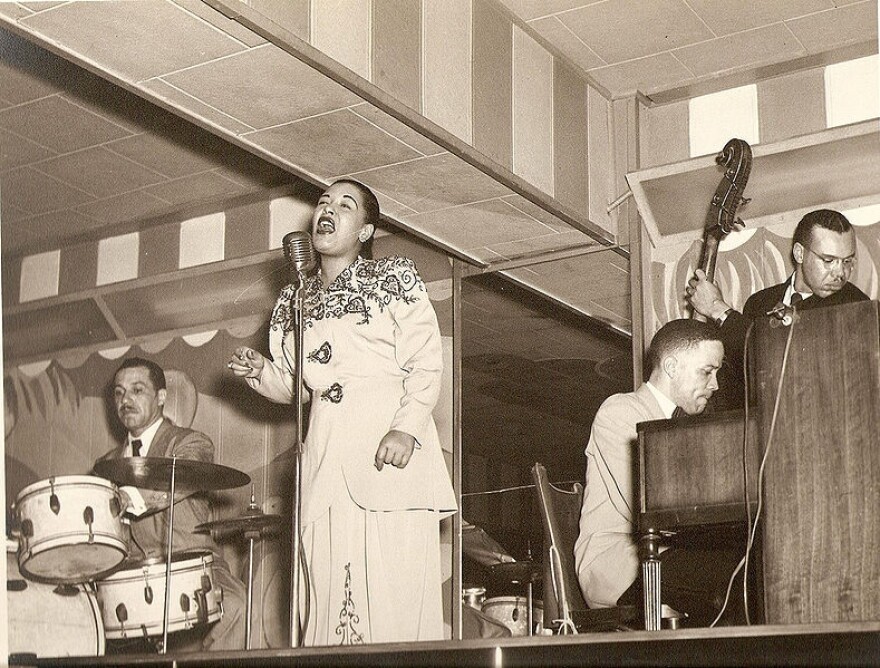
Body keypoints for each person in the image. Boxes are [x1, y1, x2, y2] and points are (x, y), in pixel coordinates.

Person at [228, 179, 457, 646]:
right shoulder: (294, 298)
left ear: (366, 231)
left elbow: (427, 358)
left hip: (387, 454)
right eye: (323, 202)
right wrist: (262, 373)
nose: (327, 209)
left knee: (392, 598)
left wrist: (407, 428)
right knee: (329, 595)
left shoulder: (392, 276)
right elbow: (300, 388)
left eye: (345, 205)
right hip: (326, 460)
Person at [574, 319, 751, 626]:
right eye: (707, 371)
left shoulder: (688, 424)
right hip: (620, 563)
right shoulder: (620, 411)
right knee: (740, 576)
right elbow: (647, 507)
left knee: (747, 567)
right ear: (671, 366)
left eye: (717, 373)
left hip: (665, 555)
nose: (715, 384)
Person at [95, 357, 246, 652]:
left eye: (137, 390)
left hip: (192, 561)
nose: (125, 400)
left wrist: (128, 499)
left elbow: (182, 478)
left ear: (161, 397)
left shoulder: (189, 443)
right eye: (119, 392)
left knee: (235, 605)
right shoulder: (104, 465)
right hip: (131, 572)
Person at [686, 208, 869, 407]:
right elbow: (742, 380)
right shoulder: (759, 302)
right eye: (828, 260)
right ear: (799, 253)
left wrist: (717, 309)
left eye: (847, 261)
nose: (840, 273)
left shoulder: (855, 304)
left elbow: (787, 360)